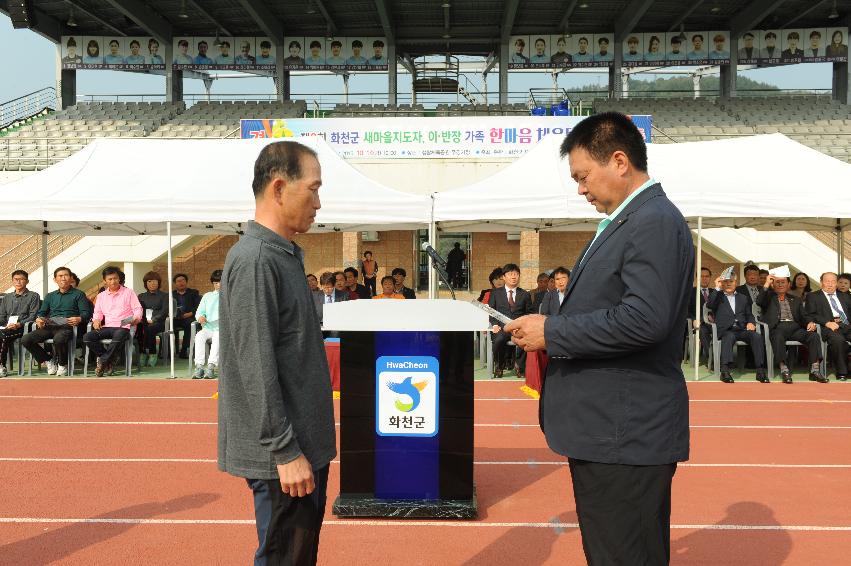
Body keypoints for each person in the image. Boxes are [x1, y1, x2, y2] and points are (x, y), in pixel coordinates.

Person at [505, 112, 693, 565]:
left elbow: (645, 319)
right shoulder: (632, 220)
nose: (581, 189)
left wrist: (550, 331)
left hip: (622, 431)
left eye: (583, 176)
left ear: (620, 160)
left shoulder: (652, 221)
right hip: (609, 429)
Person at [219, 141, 336, 566]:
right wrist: (285, 451)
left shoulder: (282, 255)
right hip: (284, 459)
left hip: (301, 448)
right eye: (314, 189)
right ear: (280, 187)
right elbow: (254, 365)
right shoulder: (255, 260)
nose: (319, 203)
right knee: (283, 558)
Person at [23, 267, 92, 377]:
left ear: (70, 278)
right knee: (26, 339)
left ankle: (62, 365)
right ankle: (48, 360)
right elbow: (42, 312)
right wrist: (39, 318)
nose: (63, 278)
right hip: (50, 325)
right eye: (60, 276)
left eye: (66, 275)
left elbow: (86, 313)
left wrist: (79, 318)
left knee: (59, 339)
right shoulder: (50, 296)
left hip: (68, 325)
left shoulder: (79, 294)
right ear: (55, 279)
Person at [757, 274, 824, 384]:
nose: (780, 284)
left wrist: (810, 322)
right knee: (777, 336)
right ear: (773, 285)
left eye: (783, 282)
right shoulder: (768, 297)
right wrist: (767, 283)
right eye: (777, 282)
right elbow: (759, 301)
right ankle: (784, 369)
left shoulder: (796, 299)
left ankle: (815, 370)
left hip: (795, 328)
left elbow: (804, 316)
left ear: (788, 285)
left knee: (814, 336)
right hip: (777, 327)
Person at [707, 271, 768, 383]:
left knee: (757, 337)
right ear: (722, 283)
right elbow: (709, 305)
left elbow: (749, 314)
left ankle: (760, 371)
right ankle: (725, 371)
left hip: (741, 329)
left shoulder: (743, 298)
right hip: (726, 330)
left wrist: (751, 322)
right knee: (729, 336)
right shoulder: (717, 296)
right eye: (726, 282)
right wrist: (716, 287)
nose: (729, 284)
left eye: (731, 281)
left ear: (736, 283)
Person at [84, 266, 142, 377]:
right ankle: (108, 361)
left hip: (123, 326)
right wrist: (96, 320)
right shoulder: (101, 296)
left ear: (119, 279)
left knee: (119, 335)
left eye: (115, 278)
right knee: (87, 337)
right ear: (105, 281)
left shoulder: (129, 292)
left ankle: (102, 362)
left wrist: (136, 318)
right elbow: (98, 312)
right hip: (107, 326)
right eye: (109, 279)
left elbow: (137, 309)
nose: (113, 281)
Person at [487, 263, 532, 378]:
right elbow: (491, 312)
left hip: (519, 328)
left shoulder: (525, 294)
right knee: (499, 340)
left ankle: (520, 367)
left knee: (527, 339)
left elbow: (529, 313)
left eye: (516, 274)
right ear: (504, 277)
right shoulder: (496, 293)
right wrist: (495, 324)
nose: (513, 277)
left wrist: (524, 325)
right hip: (502, 328)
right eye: (510, 274)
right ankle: (499, 365)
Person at [805, 272, 851, 381]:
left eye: (833, 282)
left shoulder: (845, 296)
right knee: (838, 340)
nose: (830, 284)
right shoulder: (813, 296)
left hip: (847, 325)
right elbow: (810, 314)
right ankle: (842, 372)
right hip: (829, 327)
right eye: (827, 281)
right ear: (821, 283)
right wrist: (827, 322)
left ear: (836, 284)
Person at [0, 270, 40, 378]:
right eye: (16, 279)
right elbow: (2, 316)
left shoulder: (33, 296)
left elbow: (33, 315)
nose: (18, 282)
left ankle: (1, 366)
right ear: (12, 281)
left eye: (21, 279)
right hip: (7, 327)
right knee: (2, 334)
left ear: (27, 281)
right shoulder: (7, 298)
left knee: (2, 336)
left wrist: (19, 324)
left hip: (24, 327)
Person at [192, 270, 222, 380]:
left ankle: (211, 366)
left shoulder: (230, 295)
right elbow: (200, 312)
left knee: (217, 337)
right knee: (199, 336)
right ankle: (199, 366)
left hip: (222, 329)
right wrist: (200, 317)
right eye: (215, 283)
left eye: (220, 282)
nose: (218, 285)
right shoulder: (207, 296)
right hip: (208, 327)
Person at [137, 271, 169, 368]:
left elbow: (164, 311)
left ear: (159, 282)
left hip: (159, 322)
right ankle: (142, 353)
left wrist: (154, 319)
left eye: (155, 281)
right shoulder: (141, 296)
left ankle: (152, 353)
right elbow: (137, 309)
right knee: (139, 328)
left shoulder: (164, 296)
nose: (152, 283)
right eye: (149, 281)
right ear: (145, 283)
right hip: (144, 321)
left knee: (150, 328)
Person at [689, 267, 716, 362]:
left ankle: (725, 359)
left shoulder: (715, 292)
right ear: (697, 278)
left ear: (710, 278)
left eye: (707, 276)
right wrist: (693, 319)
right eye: (701, 276)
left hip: (715, 323)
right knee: (702, 330)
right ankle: (712, 359)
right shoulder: (691, 292)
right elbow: (685, 310)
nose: (704, 278)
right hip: (699, 323)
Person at [172, 273, 201, 359]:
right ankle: (168, 351)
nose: (181, 283)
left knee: (190, 325)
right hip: (175, 318)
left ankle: (184, 350)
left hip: (188, 317)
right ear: (175, 284)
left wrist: (190, 313)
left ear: (186, 282)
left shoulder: (194, 293)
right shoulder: (171, 294)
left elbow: (199, 306)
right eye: (178, 281)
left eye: (183, 280)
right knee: (166, 326)